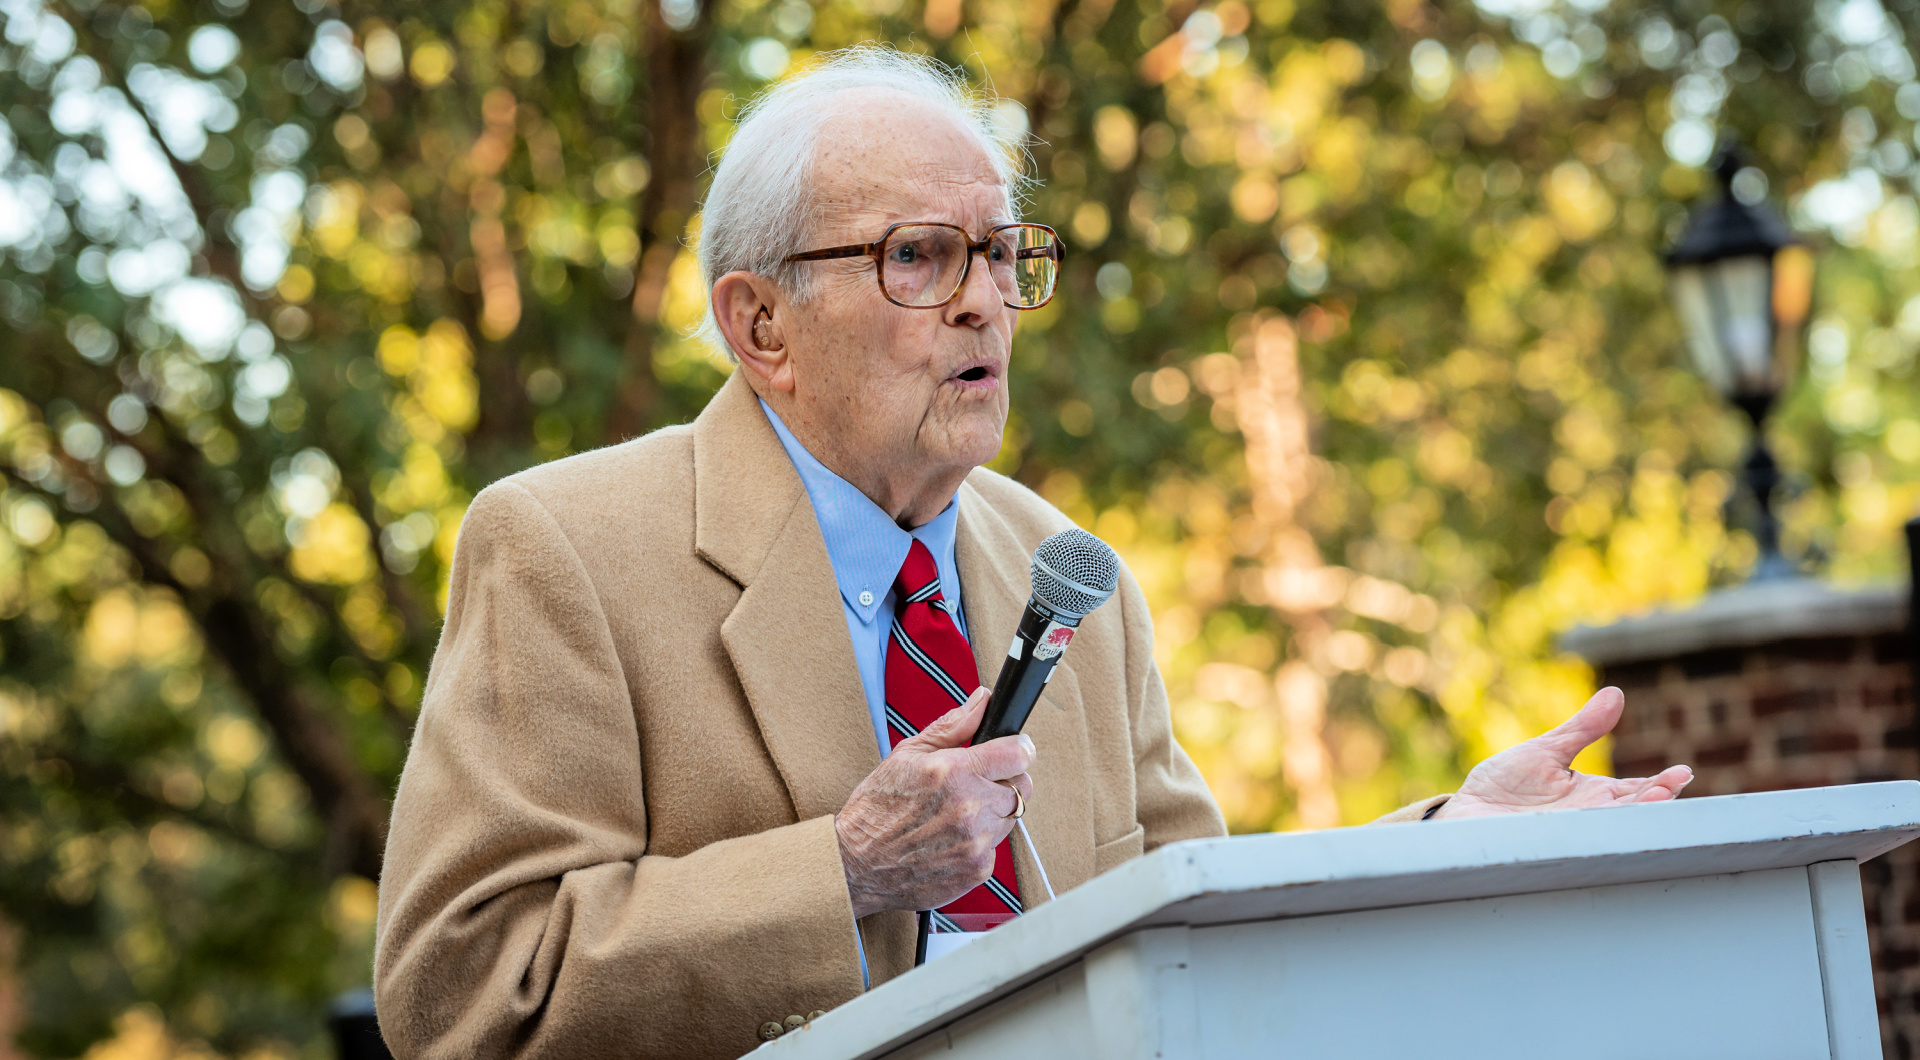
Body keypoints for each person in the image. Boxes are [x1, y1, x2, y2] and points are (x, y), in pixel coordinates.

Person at [372, 47, 1694, 1060]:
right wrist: (843, 869)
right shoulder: (563, 545)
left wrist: (1443, 839)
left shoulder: (1073, 572)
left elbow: (1186, 919)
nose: (984, 302)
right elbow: (465, 993)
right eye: (918, 256)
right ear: (761, 324)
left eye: (1003, 256)